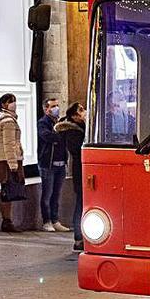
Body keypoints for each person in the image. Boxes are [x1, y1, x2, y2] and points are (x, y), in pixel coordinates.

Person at [0, 93, 24, 233]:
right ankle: (7, 221)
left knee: (5, 190)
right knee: (8, 191)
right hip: (8, 160)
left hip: (1, 158)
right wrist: (14, 165)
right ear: (3, 104)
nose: (14, 104)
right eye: (11, 101)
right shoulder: (8, 121)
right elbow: (9, 144)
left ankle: (7, 220)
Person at [57, 102, 86, 251]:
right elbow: (77, 150)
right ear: (74, 116)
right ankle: (79, 238)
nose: (84, 112)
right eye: (80, 110)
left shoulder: (81, 128)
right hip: (80, 173)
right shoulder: (73, 131)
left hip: (83, 172)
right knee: (81, 204)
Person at [38, 98, 70, 233]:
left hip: (60, 164)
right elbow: (48, 137)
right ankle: (46, 221)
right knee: (47, 194)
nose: (56, 108)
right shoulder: (43, 123)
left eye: (57, 105)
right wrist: (60, 135)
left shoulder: (60, 122)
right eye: (53, 106)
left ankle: (55, 220)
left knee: (56, 194)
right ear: (46, 109)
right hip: (48, 164)